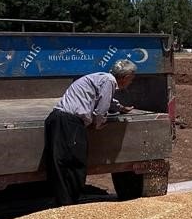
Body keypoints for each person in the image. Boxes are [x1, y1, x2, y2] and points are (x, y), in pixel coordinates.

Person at [44, 59, 136, 206]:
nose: (131, 82)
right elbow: (101, 109)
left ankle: (63, 203)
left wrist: (120, 108)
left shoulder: (102, 78)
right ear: (126, 77)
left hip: (57, 119)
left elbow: (105, 98)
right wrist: (98, 124)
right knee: (74, 164)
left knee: (60, 164)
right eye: (131, 79)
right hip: (69, 122)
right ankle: (67, 205)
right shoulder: (109, 81)